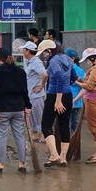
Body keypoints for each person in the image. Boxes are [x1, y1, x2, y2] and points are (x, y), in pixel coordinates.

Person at [37, 39, 78, 168]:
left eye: (44, 52)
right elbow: (73, 77)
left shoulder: (54, 61)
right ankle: (63, 158)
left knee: (46, 125)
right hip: (67, 95)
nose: (44, 55)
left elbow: (59, 78)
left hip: (55, 96)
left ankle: (54, 155)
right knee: (64, 125)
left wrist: (58, 100)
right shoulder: (66, 58)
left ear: (49, 51)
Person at [0, 47, 32, 174]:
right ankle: (22, 163)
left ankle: (0, 164)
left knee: (2, 136)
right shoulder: (20, 72)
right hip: (18, 108)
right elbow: (25, 91)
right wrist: (27, 106)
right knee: (19, 136)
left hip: (3, 108)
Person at [75, 48, 96, 164]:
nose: (86, 63)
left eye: (87, 60)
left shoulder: (95, 70)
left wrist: (76, 82)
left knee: (95, 127)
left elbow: (88, 87)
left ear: (93, 59)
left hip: (93, 102)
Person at [22, 42, 46, 142]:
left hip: (36, 95)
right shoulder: (29, 62)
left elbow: (45, 74)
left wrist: (41, 86)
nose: (22, 51)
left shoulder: (36, 62)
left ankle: (44, 135)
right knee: (31, 117)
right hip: (30, 95)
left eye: (24, 49)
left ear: (28, 51)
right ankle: (35, 134)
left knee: (39, 116)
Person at [65, 48, 85, 133]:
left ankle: (73, 141)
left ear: (72, 58)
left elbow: (84, 88)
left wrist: (74, 100)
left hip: (75, 102)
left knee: (73, 123)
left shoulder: (79, 71)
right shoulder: (63, 68)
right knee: (64, 123)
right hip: (64, 101)